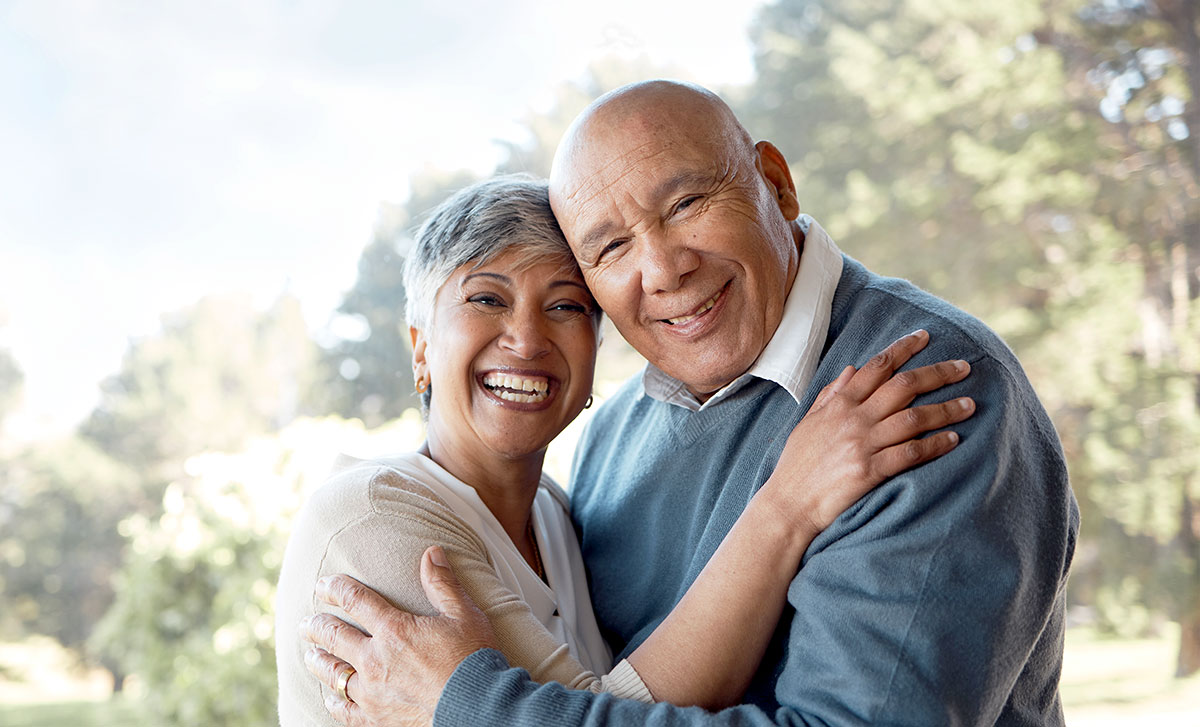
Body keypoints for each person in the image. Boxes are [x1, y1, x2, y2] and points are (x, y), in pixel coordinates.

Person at [301, 81, 1079, 726]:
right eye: (608, 248)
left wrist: (471, 708)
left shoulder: (921, 389)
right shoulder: (610, 439)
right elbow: (614, 689)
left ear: (774, 182)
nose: (664, 269)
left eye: (685, 204)